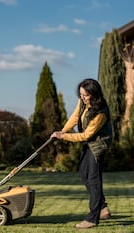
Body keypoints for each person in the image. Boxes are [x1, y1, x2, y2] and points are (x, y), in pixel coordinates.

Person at [51, 78, 112, 229]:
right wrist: (62, 131)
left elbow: (85, 136)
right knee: (84, 174)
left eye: (85, 95)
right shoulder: (83, 102)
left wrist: (64, 137)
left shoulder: (100, 113)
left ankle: (93, 218)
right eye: (81, 95)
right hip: (89, 142)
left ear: (94, 94)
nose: (82, 98)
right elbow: (75, 117)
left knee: (93, 178)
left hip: (98, 144)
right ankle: (103, 208)